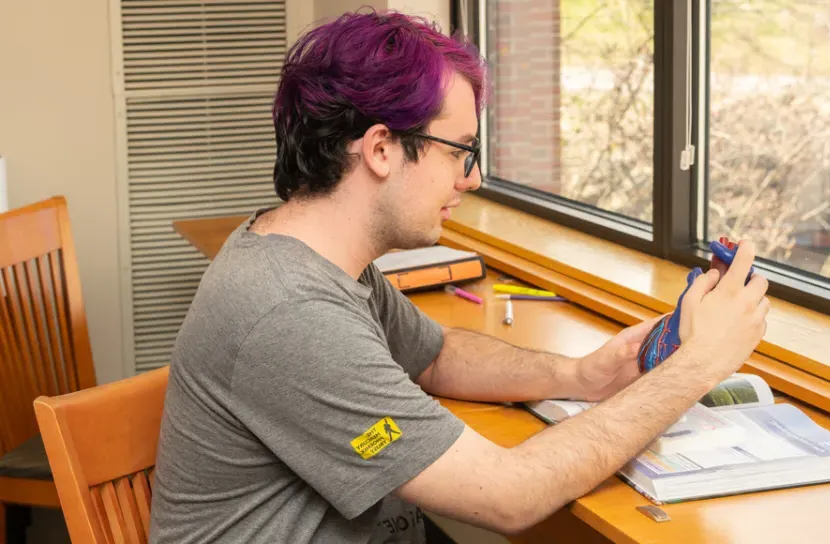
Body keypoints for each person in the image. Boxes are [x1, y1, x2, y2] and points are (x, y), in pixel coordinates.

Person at [149, 9, 770, 544]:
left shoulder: (319, 261)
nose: (471, 179)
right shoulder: (289, 313)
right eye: (460, 151)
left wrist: (582, 376)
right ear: (383, 149)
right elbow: (510, 496)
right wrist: (698, 367)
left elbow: (436, 356)